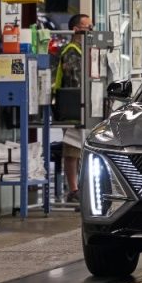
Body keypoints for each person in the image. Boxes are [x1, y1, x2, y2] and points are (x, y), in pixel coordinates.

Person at [52, 13, 91, 203]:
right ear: (76, 30)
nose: (90, 30)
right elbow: (74, 82)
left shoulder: (85, 50)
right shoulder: (71, 52)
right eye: (86, 27)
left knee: (81, 149)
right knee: (72, 150)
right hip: (72, 108)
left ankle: (81, 187)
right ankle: (73, 190)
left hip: (83, 107)